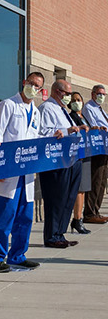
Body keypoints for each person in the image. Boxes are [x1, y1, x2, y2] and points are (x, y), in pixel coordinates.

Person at [0, 72, 44, 270]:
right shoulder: (7, 105)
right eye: (31, 84)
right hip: (7, 172)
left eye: (38, 86)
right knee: (4, 215)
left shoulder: (36, 112)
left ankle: (17, 255)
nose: (33, 88)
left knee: (25, 217)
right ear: (24, 83)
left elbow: (37, 138)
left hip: (26, 174)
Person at [37, 79, 82, 249]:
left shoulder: (63, 110)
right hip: (55, 161)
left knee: (68, 197)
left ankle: (60, 233)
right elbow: (43, 132)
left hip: (70, 158)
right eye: (67, 94)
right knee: (56, 198)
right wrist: (66, 131)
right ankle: (51, 235)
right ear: (57, 91)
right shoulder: (46, 108)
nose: (69, 97)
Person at [63, 91, 91, 236]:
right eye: (73, 100)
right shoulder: (71, 117)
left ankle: (79, 218)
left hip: (87, 153)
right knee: (79, 189)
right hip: (77, 155)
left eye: (79, 99)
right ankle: (77, 219)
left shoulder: (83, 116)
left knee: (84, 188)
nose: (76, 102)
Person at [83, 85, 108, 226]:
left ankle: (96, 211)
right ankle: (89, 213)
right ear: (93, 94)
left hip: (105, 148)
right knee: (95, 180)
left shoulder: (100, 109)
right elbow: (93, 127)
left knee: (102, 181)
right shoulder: (89, 108)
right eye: (99, 94)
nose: (102, 96)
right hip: (97, 149)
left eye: (104, 94)